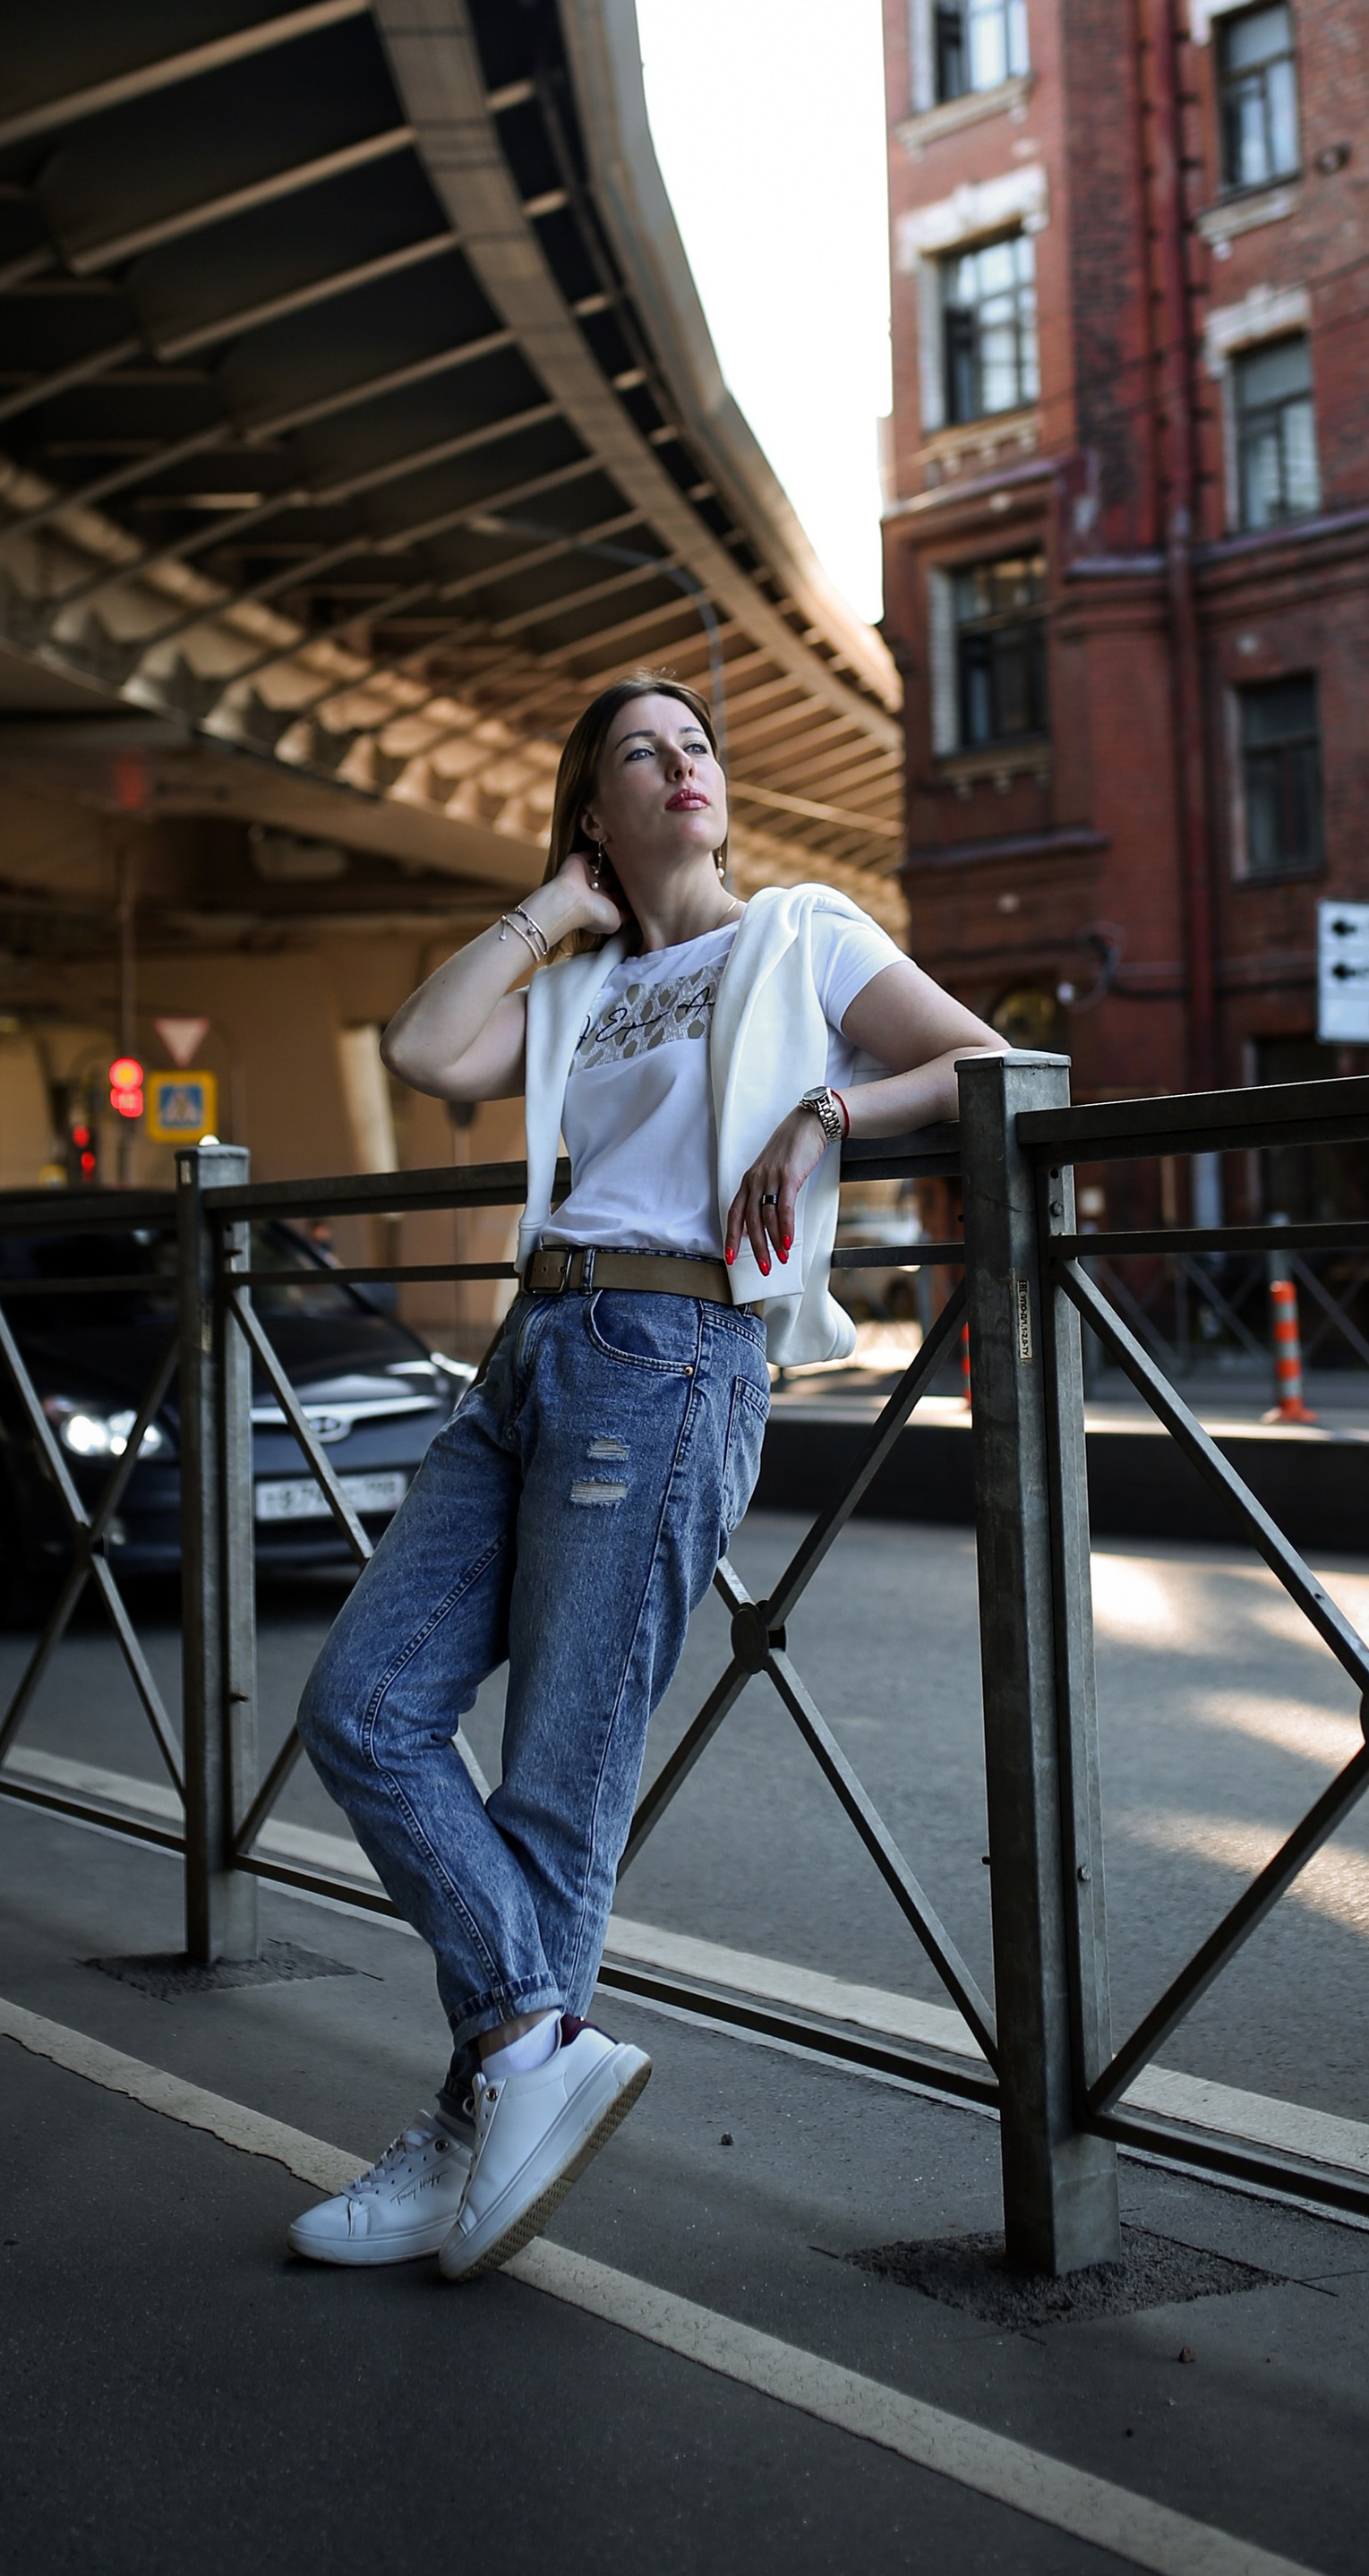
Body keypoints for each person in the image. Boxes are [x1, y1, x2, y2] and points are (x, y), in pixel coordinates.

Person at [287, 677, 1002, 2281]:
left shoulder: (802, 934)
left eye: (698, 746)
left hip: (668, 1355)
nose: (684, 764)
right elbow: (420, 1046)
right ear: (594, 813)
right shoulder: (588, 979)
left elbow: (986, 1061)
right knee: (363, 1705)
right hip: (530, 1350)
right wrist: (556, 906)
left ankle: (476, 2122)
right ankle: (525, 2057)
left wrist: (826, 1109)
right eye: (641, 752)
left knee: (557, 1782)